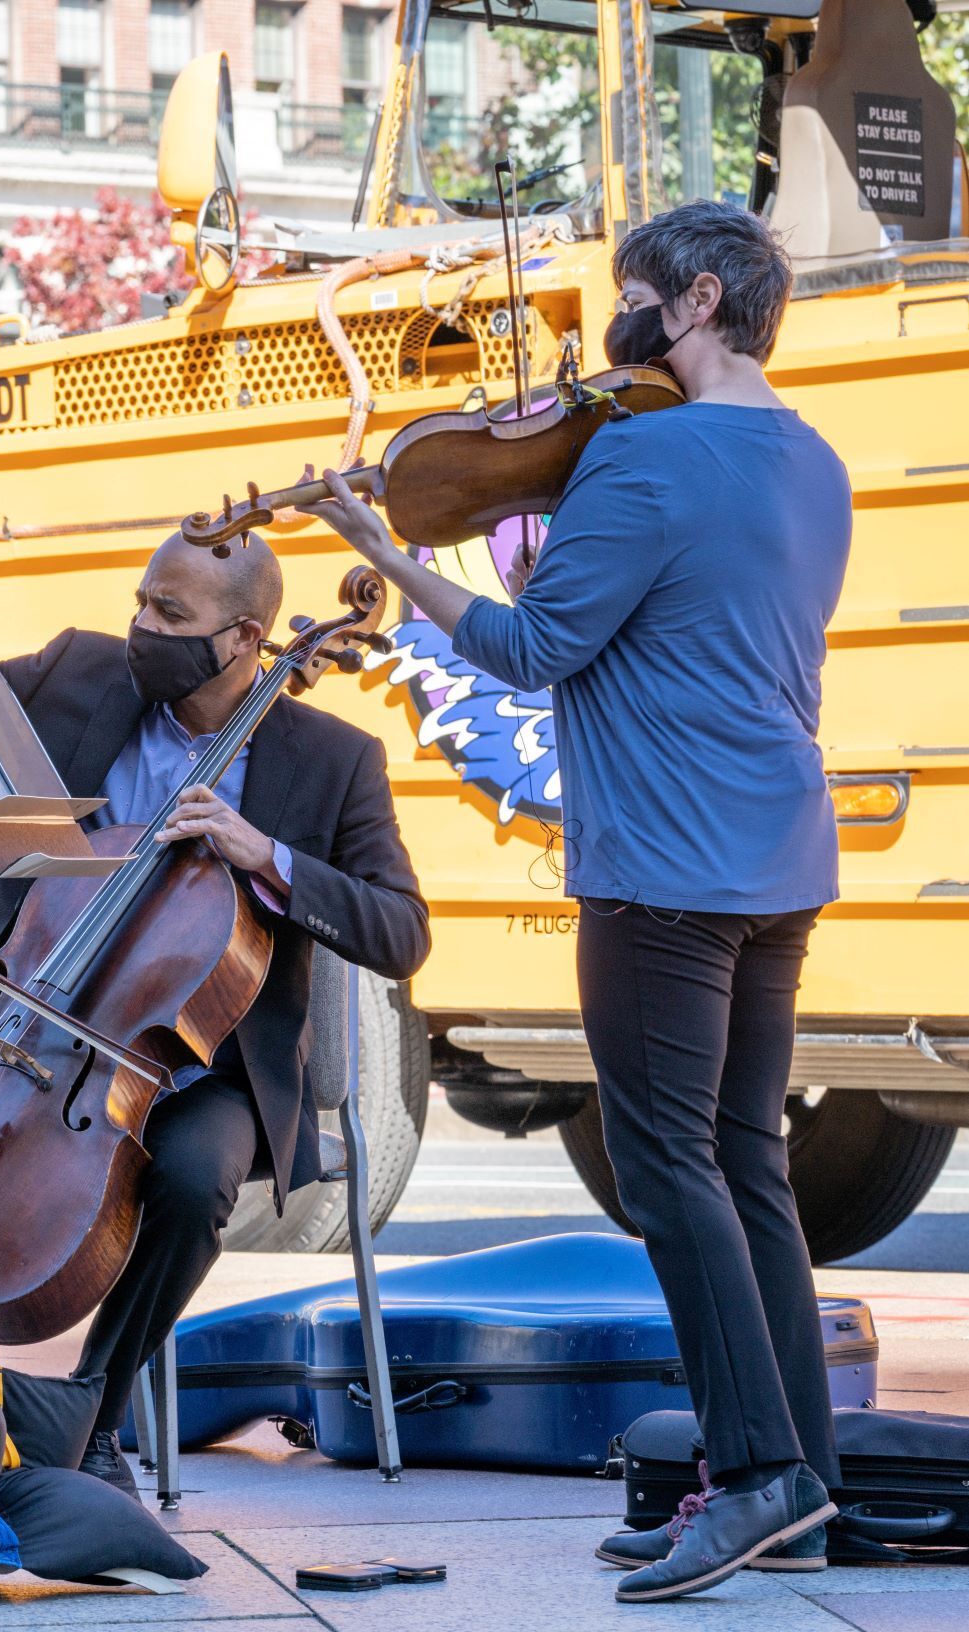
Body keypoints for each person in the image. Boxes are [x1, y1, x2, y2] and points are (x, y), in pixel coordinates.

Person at [300, 200, 846, 1603]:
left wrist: (384, 540)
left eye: (635, 298)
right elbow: (682, 625)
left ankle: (757, 1470)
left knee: (667, 1169)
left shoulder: (647, 454)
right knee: (746, 1165)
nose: (617, 328)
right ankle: (798, 1480)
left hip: (662, 864)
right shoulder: (813, 460)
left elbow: (533, 651)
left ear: (701, 301)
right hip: (779, 857)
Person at [0, 531, 428, 1494]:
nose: (141, 627)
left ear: (243, 638)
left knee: (194, 1183)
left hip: (199, 1062)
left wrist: (264, 855)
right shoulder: (82, 674)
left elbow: (402, 931)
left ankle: (92, 1414)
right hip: (26, 1006)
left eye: (170, 615)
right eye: (143, 601)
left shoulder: (330, 762)